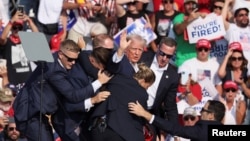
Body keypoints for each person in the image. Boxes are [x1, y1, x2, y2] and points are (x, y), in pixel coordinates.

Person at [13, 39, 112, 141]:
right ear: (60, 54)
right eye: (70, 59)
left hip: (39, 115)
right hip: (29, 114)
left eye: (75, 59)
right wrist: (98, 83)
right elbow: (73, 96)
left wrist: (82, 49)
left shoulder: (57, 58)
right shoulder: (54, 72)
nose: (73, 63)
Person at [90, 63, 156, 141]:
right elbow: (143, 119)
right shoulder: (142, 94)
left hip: (99, 128)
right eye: (147, 86)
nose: (146, 89)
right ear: (143, 81)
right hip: (119, 135)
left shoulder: (118, 78)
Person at [128, 100, 226, 141]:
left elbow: (175, 128)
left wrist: (145, 114)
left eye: (203, 110)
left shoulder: (204, 130)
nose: (200, 113)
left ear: (211, 116)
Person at [178, 39, 222, 114]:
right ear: (196, 49)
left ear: (209, 50)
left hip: (209, 102)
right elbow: (183, 83)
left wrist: (216, 103)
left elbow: (218, 85)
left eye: (205, 49)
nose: (203, 51)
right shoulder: (187, 64)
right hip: (191, 100)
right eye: (200, 49)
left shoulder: (215, 65)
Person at [0, 9, 38, 86]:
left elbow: (38, 37)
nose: (17, 30)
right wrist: (12, 21)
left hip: (27, 81)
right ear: (11, 28)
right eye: (15, 27)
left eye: (19, 27)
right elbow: (2, 38)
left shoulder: (26, 40)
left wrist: (29, 21)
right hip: (12, 83)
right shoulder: (7, 42)